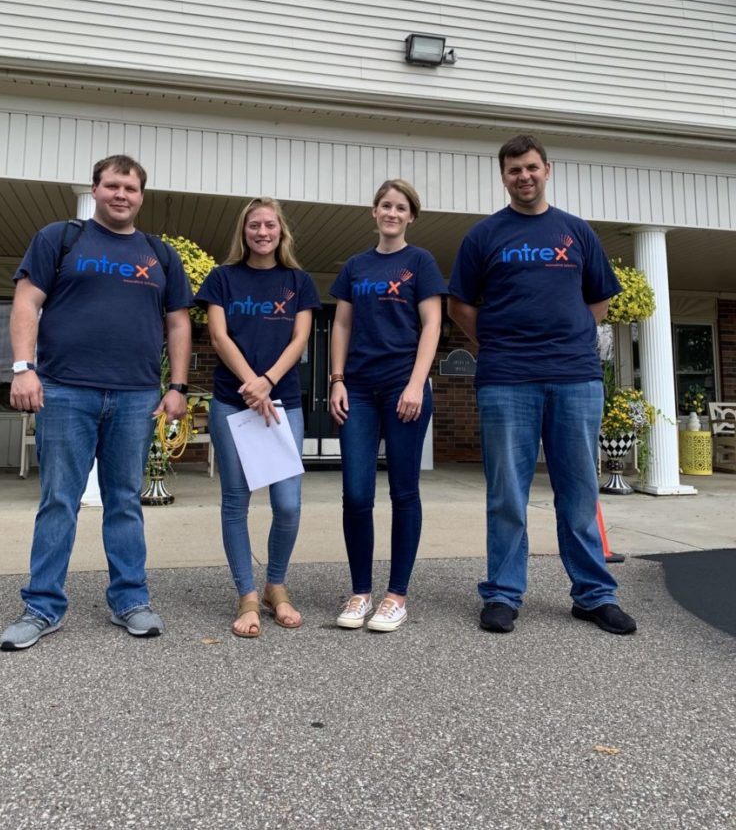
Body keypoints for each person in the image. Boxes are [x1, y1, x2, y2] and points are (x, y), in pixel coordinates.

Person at [0, 155, 193, 650]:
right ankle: (42, 606)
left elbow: (178, 323)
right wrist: (23, 368)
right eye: (112, 186)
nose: (121, 195)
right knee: (59, 500)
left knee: (125, 501)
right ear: (96, 190)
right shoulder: (60, 238)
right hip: (64, 390)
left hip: (135, 395)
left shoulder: (159, 254)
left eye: (130, 187)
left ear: (141, 196)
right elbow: (27, 302)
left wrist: (178, 386)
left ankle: (130, 600)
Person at [447, 134, 637, 635]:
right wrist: (495, 343)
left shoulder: (576, 232)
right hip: (506, 379)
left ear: (547, 170)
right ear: (503, 176)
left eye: (531, 167)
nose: (523, 177)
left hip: (575, 377)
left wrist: (570, 335)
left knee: (578, 490)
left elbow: (599, 300)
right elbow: (460, 304)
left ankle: (594, 595)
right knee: (507, 492)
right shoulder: (483, 236)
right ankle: (504, 593)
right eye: (514, 170)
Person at [196, 197, 320, 639]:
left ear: (281, 231)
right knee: (236, 499)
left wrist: (268, 381)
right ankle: (247, 594)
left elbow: (300, 337)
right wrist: (251, 384)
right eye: (254, 226)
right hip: (233, 402)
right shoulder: (223, 278)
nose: (262, 232)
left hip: (282, 403)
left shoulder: (298, 281)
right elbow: (218, 334)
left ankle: (276, 586)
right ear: (244, 232)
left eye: (270, 225)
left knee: (287, 503)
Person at [329, 180, 444, 632]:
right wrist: (337, 380)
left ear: (411, 216)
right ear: (374, 212)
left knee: (403, 491)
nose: (392, 213)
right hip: (357, 388)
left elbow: (432, 323)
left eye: (401, 207)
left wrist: (416, 384)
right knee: (356, 493)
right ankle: (360, 592)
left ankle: (397, 595)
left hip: (404, 387)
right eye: (385, 205)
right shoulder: (356, 266)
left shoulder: (421, 262)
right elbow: (340, 324)